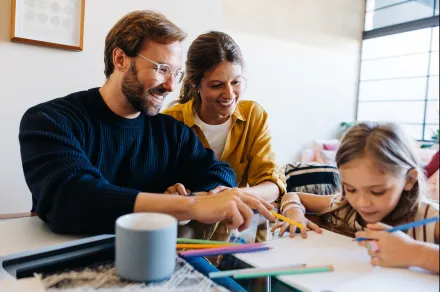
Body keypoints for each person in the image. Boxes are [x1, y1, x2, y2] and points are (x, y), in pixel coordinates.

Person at [18, 11, 275, 236]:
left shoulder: (170, 132)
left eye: (175, 73)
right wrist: (190, 207)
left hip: (157, 257)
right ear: (120, 59)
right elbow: (72, 199)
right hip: (68, 263)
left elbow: (219, 172)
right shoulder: (49, 120)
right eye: (162, 68)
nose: (171, 86)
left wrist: (197, 196)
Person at [163, 31, 286, 243]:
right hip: (186, 235)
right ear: (196, 84)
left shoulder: (253, 116)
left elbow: (273, 184)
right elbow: (157, 188)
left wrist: (233, 195)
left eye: (236, 82)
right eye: (217, 85)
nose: (229, 94)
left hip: (239, 228)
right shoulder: (171, 122)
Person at [272, 122, 439, 252]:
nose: (361, 202)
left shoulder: (430, 219)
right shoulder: (345, 208)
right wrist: (294, 213)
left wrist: (415, 253)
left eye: (377, 192)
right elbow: (293, 196)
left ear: (409, 180)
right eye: (350, 189)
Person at [355, 222, 439, 273]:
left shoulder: (434, 221)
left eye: (377, 192)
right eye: (352, 191)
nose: (363, 203)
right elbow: (372, 246)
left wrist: (415, 252)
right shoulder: (343, 211)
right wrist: (371, 246)